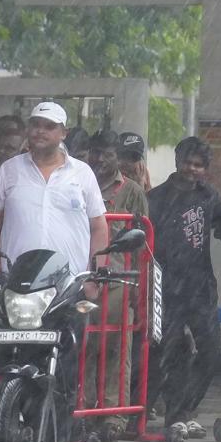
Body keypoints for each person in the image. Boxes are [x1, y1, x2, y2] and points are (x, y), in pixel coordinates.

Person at [0, 101, 108, 442]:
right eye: (35, 125)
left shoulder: (81, 174)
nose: (40, 132)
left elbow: (99, 228)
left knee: (62, 371)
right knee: (11, 365)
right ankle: (9, 436)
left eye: (49, 126)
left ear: (63, 134)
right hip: (17, 289)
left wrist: (94, 277)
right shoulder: (9, 171)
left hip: (67, 291)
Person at [147, 137, 221, 439]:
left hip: (200, 288)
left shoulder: (209, 197)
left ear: (205, 169)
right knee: (172, 353)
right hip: (164, 289)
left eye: (198, 165)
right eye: (187, 162)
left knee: (212, 351)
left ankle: (185, 410)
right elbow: (144, 246)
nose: (191, 169)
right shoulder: (155, 198)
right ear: (177, 160)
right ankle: (175, 417)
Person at [82, 130, 150, 426]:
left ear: (117, 158)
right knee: (81, 346)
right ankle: (78, 411)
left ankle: (114, 416)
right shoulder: (78, 181)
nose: (99, 160)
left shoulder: (132, 191)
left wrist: (139, 287)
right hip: (82, 278)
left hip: (119, 279)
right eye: (95, 153)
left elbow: (143, 240)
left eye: (107, 154)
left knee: (116, 348)